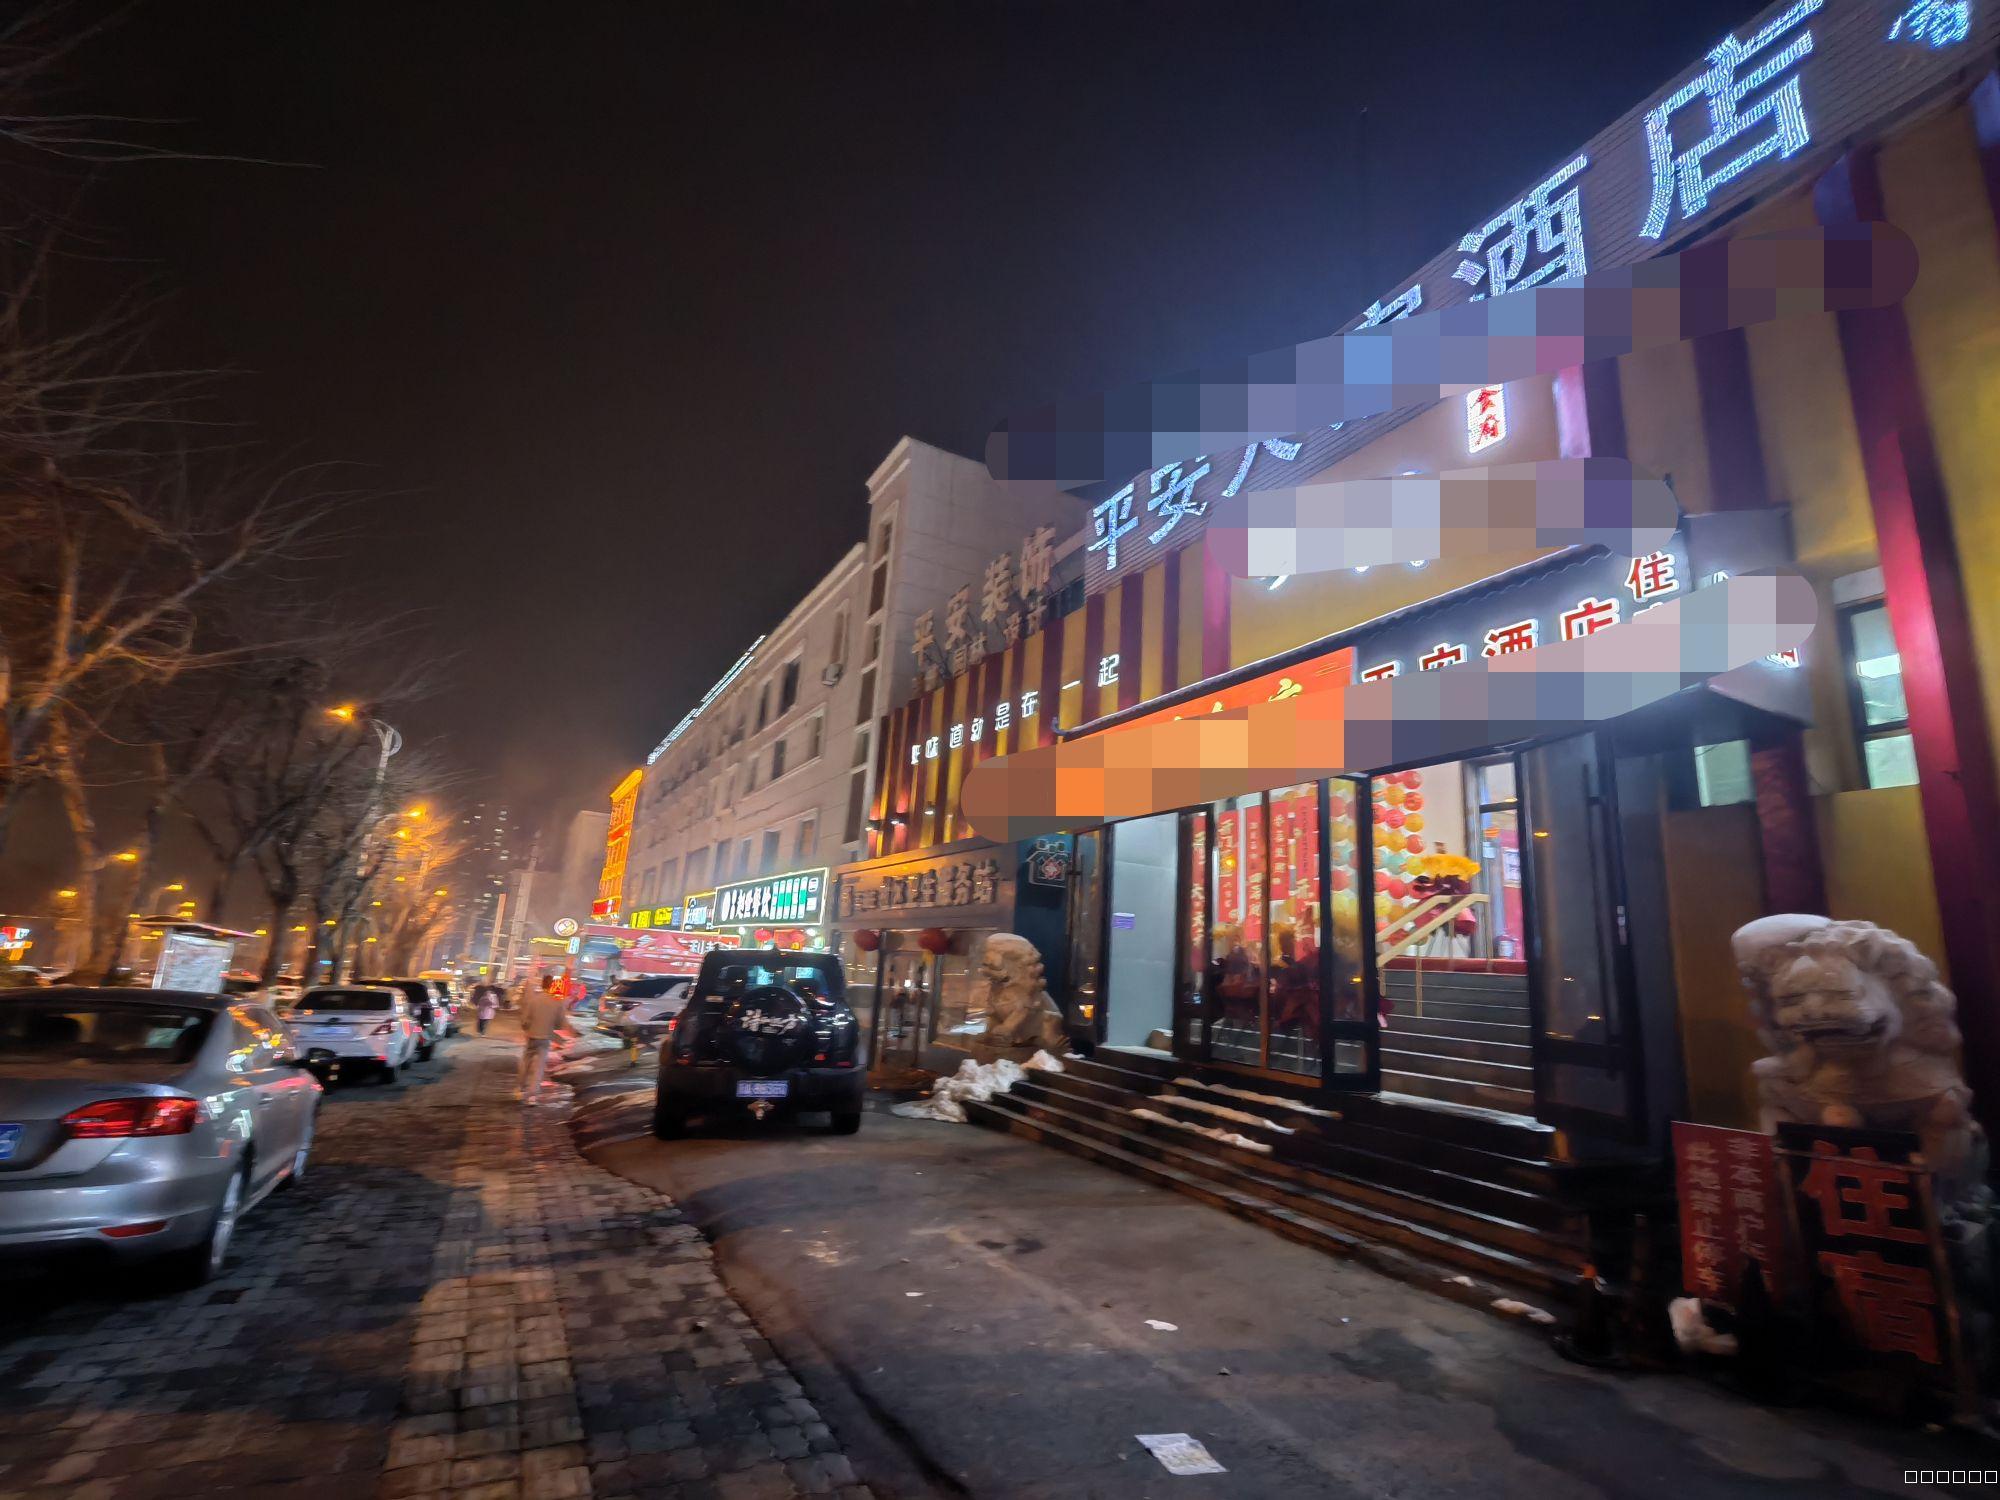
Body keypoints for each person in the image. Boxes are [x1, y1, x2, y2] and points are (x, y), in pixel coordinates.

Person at [517, 975, 568, 1102]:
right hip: (545, 1039)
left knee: (526, 1062)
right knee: (539, 1067)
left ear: (542, 985)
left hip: (532, 1036)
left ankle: (521, 1088)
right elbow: (560, 1023)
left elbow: (525, 1020)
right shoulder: (557, 1002)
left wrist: (526, 1028)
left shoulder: (534, 1000)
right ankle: (532, 1095)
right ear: (552, 986)